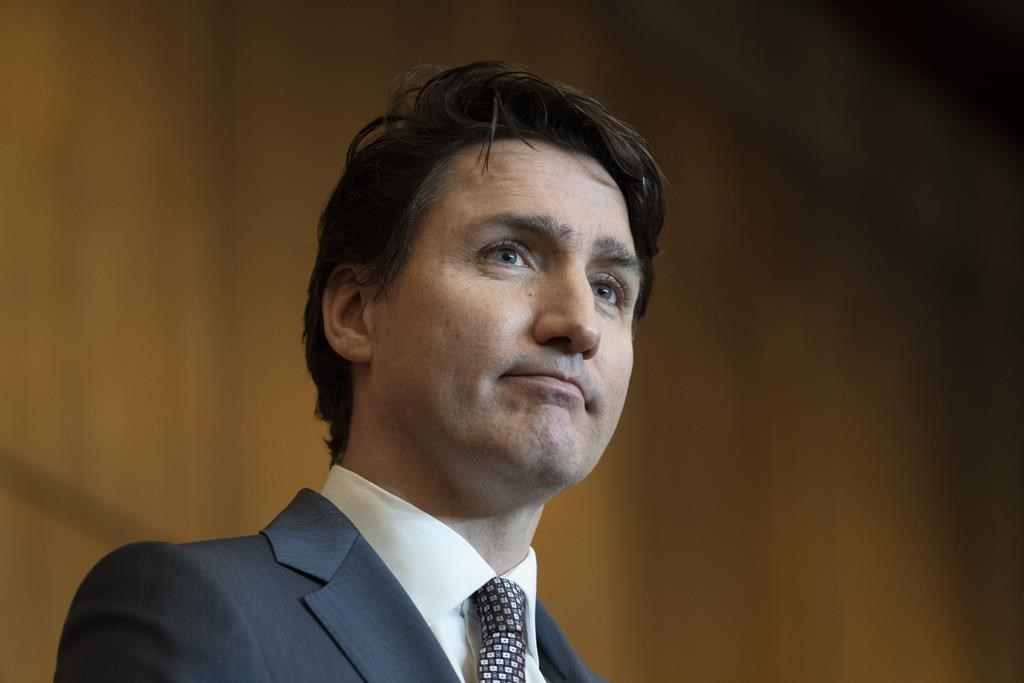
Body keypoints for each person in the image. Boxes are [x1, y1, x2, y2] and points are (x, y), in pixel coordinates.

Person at [55, 60, 664, 683]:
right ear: (355, 314)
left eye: (609, 288)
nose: (580, 323)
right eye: (509, 254)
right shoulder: (189, 614)